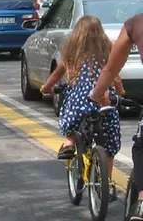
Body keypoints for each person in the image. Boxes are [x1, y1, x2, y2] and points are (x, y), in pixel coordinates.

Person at [42, 16, 123, 201]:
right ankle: (108, 183)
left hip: (81, 104)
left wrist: (46, 87)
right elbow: (116, 77)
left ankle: (70, 142)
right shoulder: (108, 52)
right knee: (108, 148)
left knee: (71, 114)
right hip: (104, 103)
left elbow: (57, 74)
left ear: (77, 35)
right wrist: (120, 91)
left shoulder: (72, 54)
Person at [91, 1, 143, 219]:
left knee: (141, 148)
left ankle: (142, 200)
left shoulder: (135, 24)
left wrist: (96, 93)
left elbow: (111, 68)